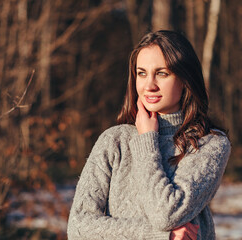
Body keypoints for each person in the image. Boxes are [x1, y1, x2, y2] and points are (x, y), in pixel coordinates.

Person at [67, 30, 231, 240]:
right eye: (142, 73)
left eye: (162, 73)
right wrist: (159, 236)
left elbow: (166, 215)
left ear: (185, 78)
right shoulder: (114, 141)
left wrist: (147, 141)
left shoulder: (209, 143)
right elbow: (78, 228)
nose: (149, 85)